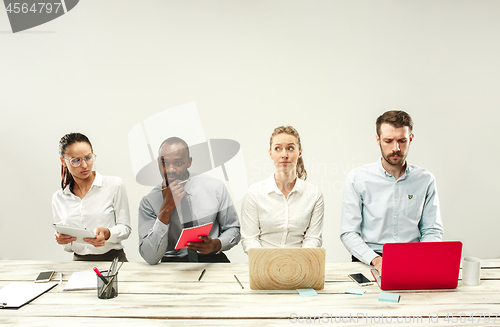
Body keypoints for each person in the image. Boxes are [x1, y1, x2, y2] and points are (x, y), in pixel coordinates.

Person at [340, 110, 444, 275]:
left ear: (410, 139)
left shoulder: (426, 180)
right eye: (388, 141)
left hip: (413, 257)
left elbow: (432, 230)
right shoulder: (357, 178)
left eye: (402, 141)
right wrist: (376, 260)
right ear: (378, 140)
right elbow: (349, 232)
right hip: (370, 260)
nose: (396, 148)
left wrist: (422, 257)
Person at [138, 137, 240, 264]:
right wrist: (166, 208)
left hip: (211, 259)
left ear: (189, 162)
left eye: (178, 163)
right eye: (164, 163)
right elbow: (150, 257)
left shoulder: (215, 188)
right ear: (158, 162)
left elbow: (233, 228)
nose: (170, 170)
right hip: (171, 264)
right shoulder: (149, 202)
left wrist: (216, 244)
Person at [240, 126, 324, 253]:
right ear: (270, 153)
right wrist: (270, 262)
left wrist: (296, 262)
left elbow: (313, 239)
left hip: (301, 264)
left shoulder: (314, 195)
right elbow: (250, 239)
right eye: (277, 149)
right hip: (263, 265)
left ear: (299, 152)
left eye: (290, 148)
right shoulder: (255, 193)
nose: (284, 155)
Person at [52, 133, 131, 262]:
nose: (84, 165)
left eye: (88, 158)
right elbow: (68, 247)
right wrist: (62, 240)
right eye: (76, 160)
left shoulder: (114, 185)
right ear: (63, 162)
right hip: (79, 262)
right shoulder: (59, 198)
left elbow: (125, 229)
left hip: (113, 260)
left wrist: (107, 234)